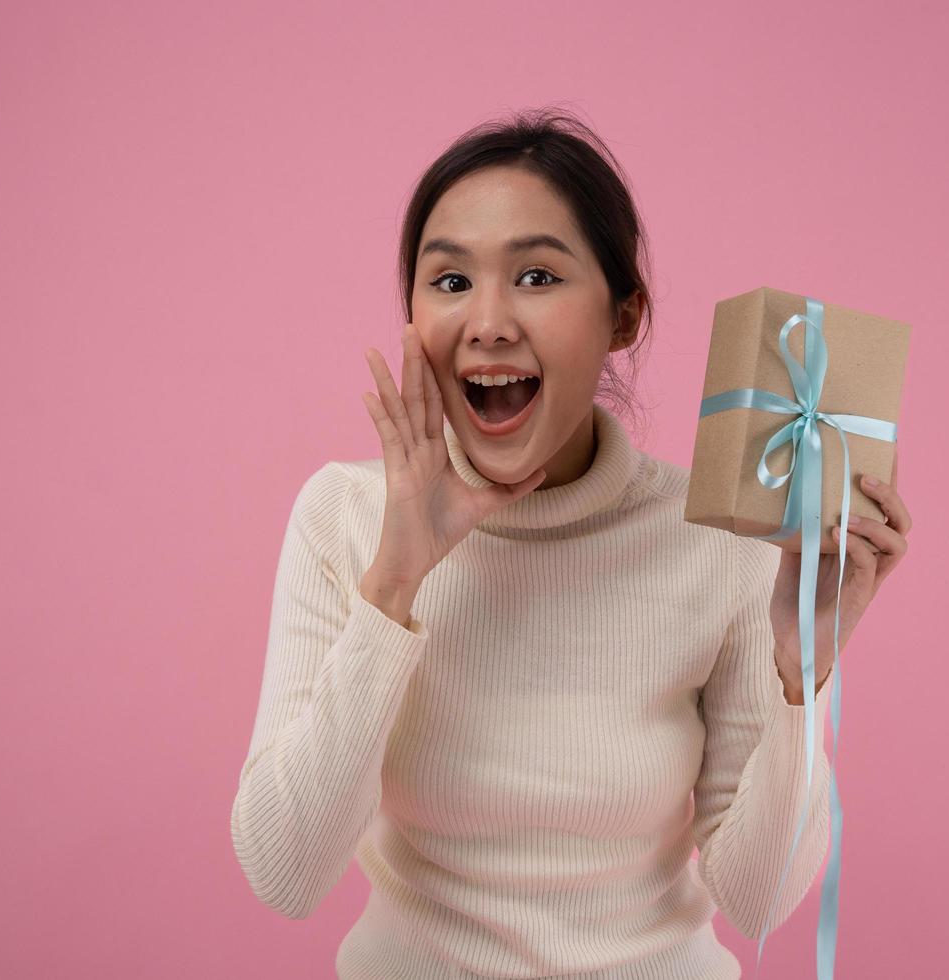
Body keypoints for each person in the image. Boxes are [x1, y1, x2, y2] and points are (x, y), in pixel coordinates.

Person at [229, 106, 913, 980]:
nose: (488, 322)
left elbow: (761, 901)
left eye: (538, 276)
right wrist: (395, 584)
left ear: (624, 317)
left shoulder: (717, 538)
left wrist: (800, 671)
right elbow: (285, 872)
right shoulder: (345, 517)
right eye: (449, 282)